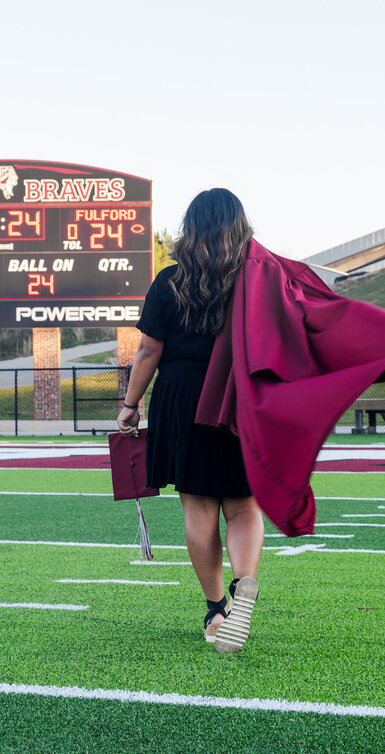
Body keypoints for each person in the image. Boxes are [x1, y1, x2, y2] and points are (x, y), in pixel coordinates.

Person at [116, 188, 261, 654]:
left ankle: (217, 610)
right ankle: (245, 586)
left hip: (181, 399)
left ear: (191, 226)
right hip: (239, 397)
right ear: (239, 225)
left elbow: (148, 350)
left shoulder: (168, 281)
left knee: (198, 508)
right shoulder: (256, 279)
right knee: (243, 506)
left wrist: (130, 403)